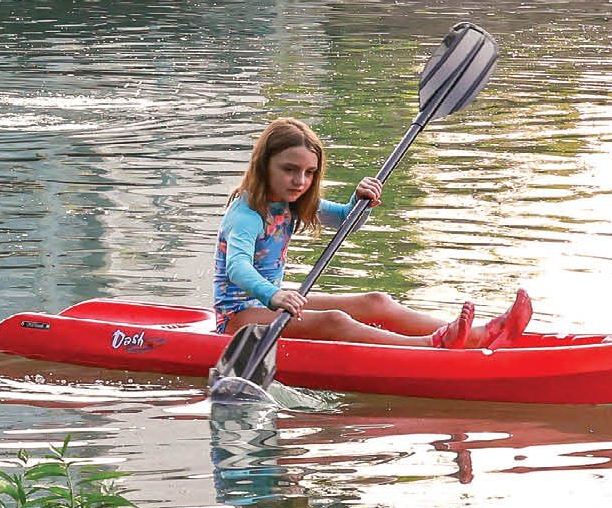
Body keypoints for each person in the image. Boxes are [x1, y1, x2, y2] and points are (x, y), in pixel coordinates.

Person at [218, 118, 527, 349]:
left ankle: (477, 335)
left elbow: (346, 221)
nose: (300, 181)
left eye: (309, 173)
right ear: (263, 165)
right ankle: (429, 347)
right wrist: (274, 294)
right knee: (334, 320)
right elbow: (237, 267)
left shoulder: (290, 201)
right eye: (290, 170)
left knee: (376, 301)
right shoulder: (246, 214)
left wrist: (359, 203)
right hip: (237, 320)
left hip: (273, 305)